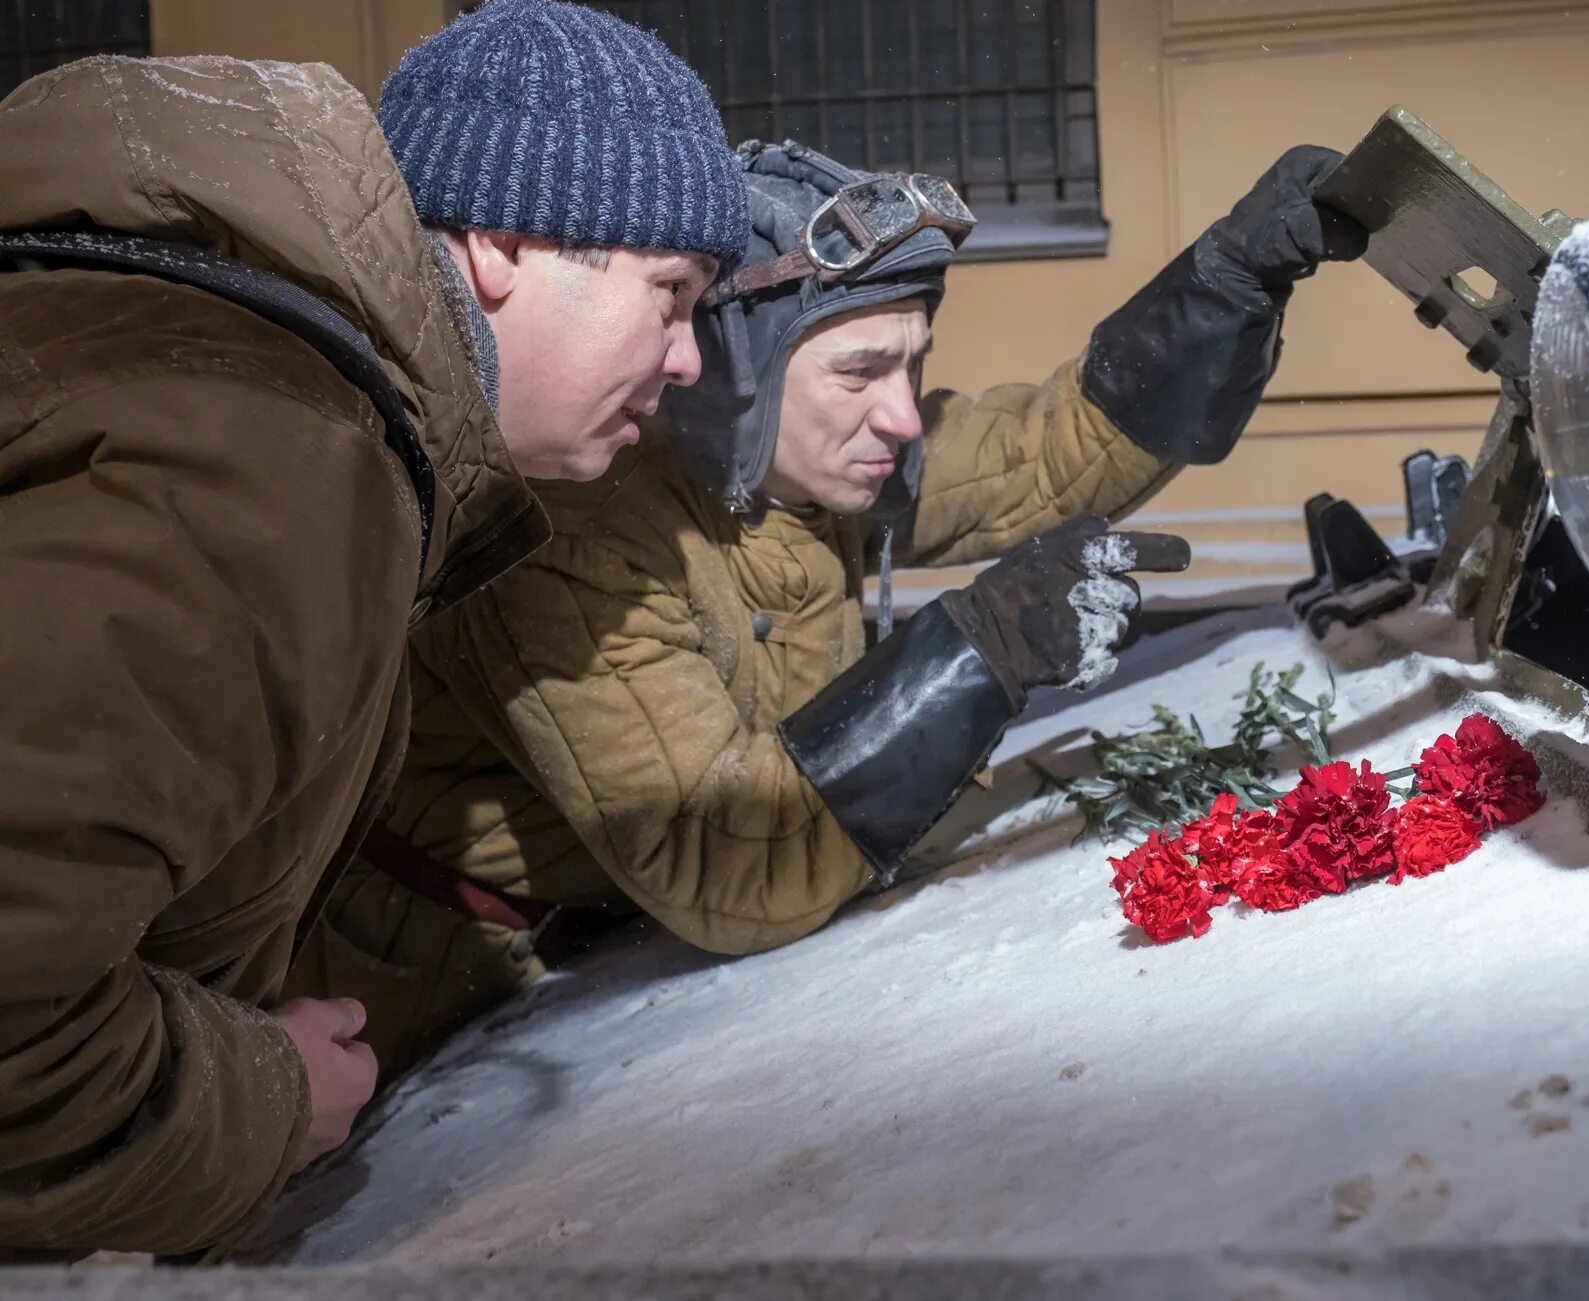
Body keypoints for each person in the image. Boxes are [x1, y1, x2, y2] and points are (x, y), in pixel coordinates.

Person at [295, 138, 1368, 1083]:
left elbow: (1041, 455)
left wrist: (1233, 280)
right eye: (860, 370)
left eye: (912, 367)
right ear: (733, 381)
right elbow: (729, 861)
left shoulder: (804, 471)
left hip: (607, 948)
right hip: (422, 998)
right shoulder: (571, 536)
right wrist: (980, 648)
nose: (900, 415)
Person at [0, 0, 746, 1260]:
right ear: (507, 244)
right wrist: (266, 1097)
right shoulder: (271, 465)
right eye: (669, 293)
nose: (686, 359)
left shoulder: (259, 394)